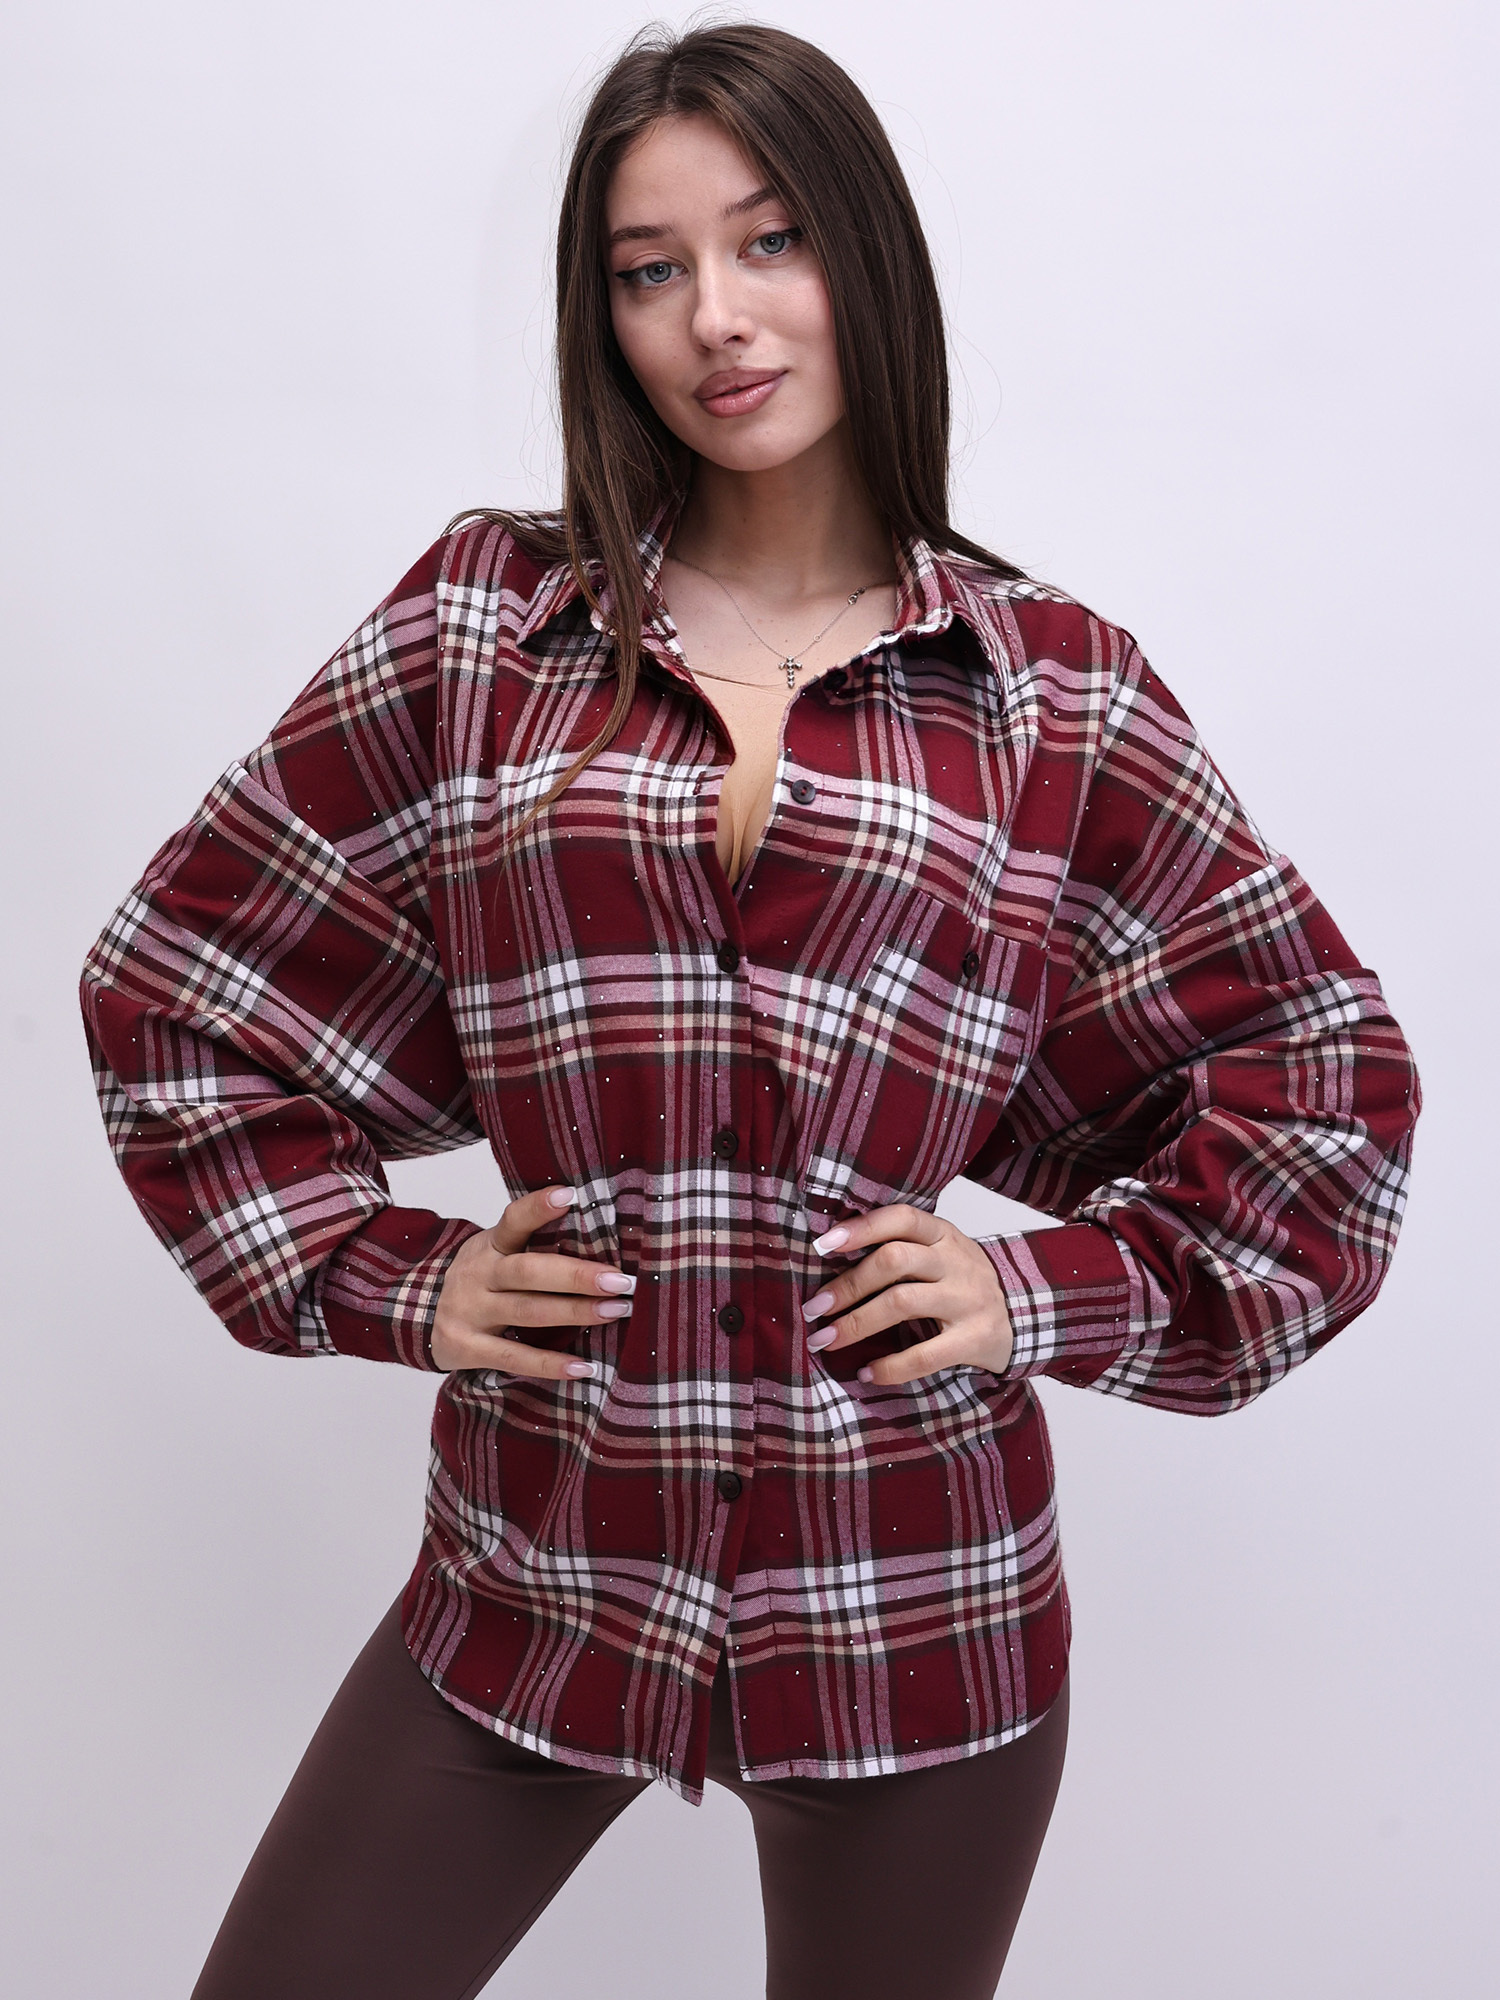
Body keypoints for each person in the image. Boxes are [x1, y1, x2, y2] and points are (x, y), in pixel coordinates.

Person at [79, 21, 1421, 2000]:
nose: (715, 312)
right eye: (650, 267)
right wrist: (396, 1279)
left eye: (769, 240)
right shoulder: (483, 626)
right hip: (534, 1575)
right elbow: (179, 983)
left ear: (863, 253)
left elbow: (1326, 1089)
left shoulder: (1055, 689)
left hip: (919, 1611)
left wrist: (1037, 1293)